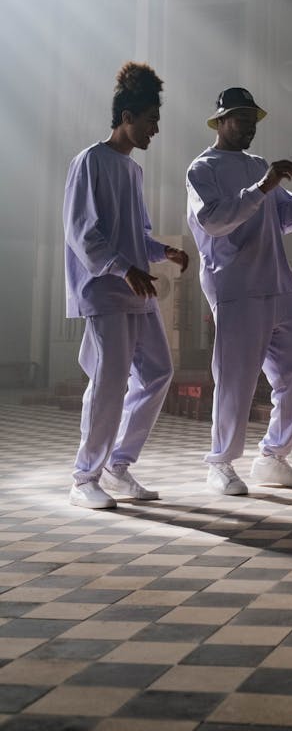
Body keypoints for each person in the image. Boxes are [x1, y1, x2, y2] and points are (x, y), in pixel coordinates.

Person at [187, 87, 292, 494]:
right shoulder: (203, 168)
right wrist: (264, 186)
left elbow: (284, 216)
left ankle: (273, 456)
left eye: (252, 120)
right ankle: (221, 463)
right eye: (240, 119)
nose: (249, 127)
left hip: (278, 281)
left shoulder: (258, 165)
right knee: (236, 378)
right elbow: (215, 220)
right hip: (235, 284)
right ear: (220, 121)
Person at [63, 62, 189, 509]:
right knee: (109, 382)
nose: (156, 129)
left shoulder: (132, 172)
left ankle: (118, 465)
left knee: (157, 372)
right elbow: (83, 233)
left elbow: (136, 234)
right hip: (105, 291)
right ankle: (84, 478)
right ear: (128, 117)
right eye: (152, 120)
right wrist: (125, 268)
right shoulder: (90, 161)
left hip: (136, 291)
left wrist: (163, 252)